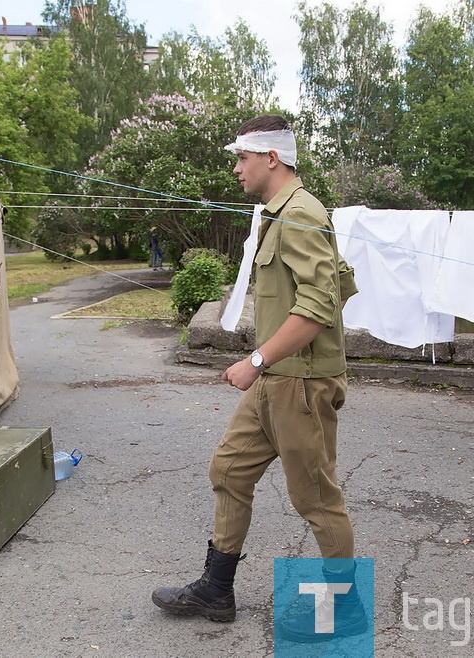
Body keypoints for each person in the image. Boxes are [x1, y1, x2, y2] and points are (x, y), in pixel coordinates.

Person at [151, 115, 365, 641]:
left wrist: (257, 361)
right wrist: (263, 367)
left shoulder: (301, 214)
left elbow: (318, 306)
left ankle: (343, 610)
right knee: (229, 469)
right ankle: (216, 589)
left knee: (315, 498)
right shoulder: (275, 213)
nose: (235, 167)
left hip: (299, 382)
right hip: (276, 379)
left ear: (272, 158)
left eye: (242, 157)